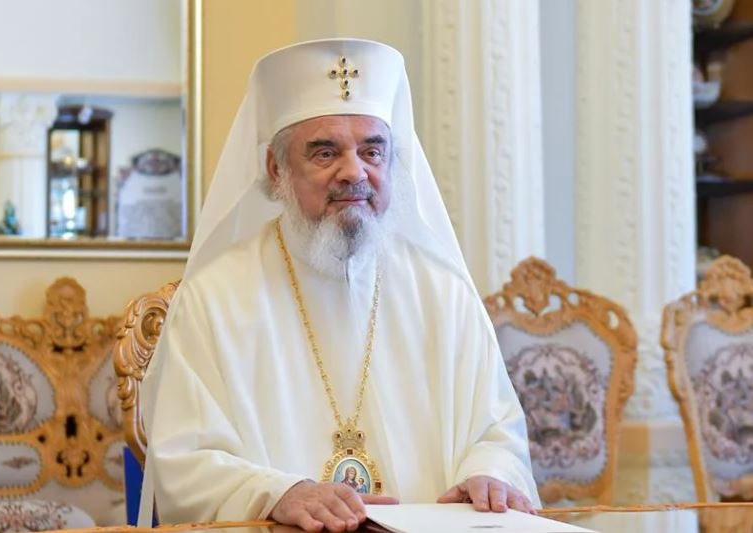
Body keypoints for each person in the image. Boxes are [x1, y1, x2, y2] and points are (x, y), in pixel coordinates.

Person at [139, 38, 540, 533]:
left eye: (372, 151)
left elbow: (496, 431)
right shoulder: (213, 299)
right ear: (276, 169)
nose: (354, 172)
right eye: (325, 153)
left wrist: (489, 474)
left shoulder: (443, 292)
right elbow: (183, 461)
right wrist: (278, 493)